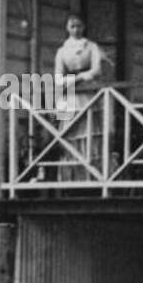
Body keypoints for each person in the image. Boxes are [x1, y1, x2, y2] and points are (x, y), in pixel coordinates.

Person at [53, 14, 105, 178]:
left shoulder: (91, 46)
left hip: (87, 92)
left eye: (79, 26)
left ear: (84, 27)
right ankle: (71, 176)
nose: (76, 30)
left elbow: (97, 70)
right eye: (72, 26)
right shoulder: (62, 51)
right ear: (67, 28)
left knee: (89, 130)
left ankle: (93, 174)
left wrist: (82, 77)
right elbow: (58, 77)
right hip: (69, 94)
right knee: (70, 134)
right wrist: (70, 80)